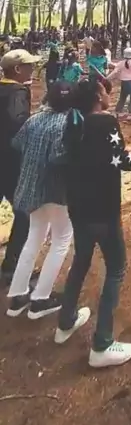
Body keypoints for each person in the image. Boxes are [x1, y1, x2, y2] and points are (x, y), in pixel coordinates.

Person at [55, 78, 131, 368]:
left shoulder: (73, 123)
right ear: (98, 97)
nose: (109, 93)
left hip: (78, 208)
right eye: (105, 90)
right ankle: (102, 343)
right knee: (116, 268)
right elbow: (121, 159)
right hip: (103, 210)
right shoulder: (105, 122)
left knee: (81, 261)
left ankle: (65, 321)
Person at [6, 82, 73, 319]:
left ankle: (17, 296)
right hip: (56, 191)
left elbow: (16, 143)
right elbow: (59, 157)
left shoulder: (33, 120)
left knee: (34, 237)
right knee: (61, 239)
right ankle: (41, 298)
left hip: (30, 188)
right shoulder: (68, 124)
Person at [0, 49, 41, 286]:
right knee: (25, 213)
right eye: (28, 65)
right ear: (17, 69)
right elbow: (18, 123)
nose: (32, 69)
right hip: (12, 164)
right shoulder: (17, 91)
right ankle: (12, 267)